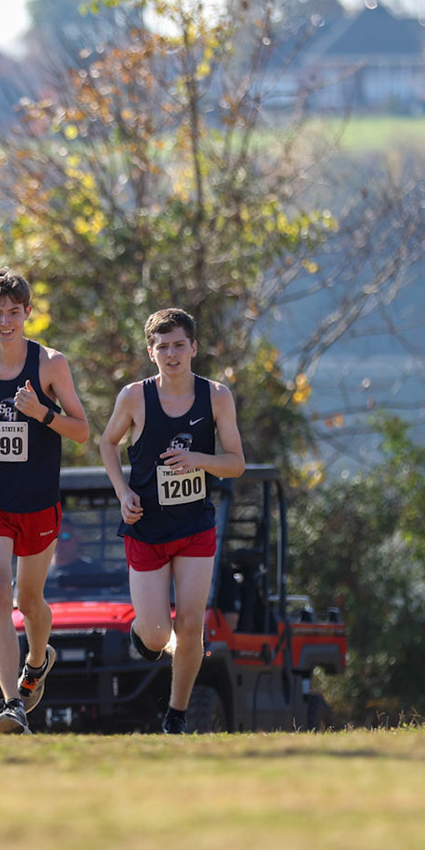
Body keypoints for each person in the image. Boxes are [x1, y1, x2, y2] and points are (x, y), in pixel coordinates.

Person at [0, 267, 91, 733]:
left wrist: (42, 413)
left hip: (36, 502)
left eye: (14, 312)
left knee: (30, 602)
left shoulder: (50, 364)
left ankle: (37, 660)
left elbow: (82, 431)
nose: (5, 321)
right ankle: (12, 703)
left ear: (28, 313)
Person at [97, 307, 245, 734]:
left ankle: (176, 716)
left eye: (179, 345)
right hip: (146, 528)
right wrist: (123, 493)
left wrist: (198, 458)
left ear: (194, 347)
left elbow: (236, 463)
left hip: (194, 526)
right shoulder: (134, 397)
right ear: (151, 352)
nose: (172, 354)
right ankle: (143, 634)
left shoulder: (216, 397)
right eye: (162, 347)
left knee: (192, 623)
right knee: (159, 636)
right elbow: (108, 443)